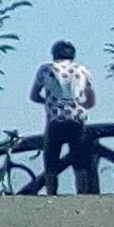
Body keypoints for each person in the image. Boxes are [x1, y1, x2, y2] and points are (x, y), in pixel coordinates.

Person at [32, 41, 100, 193]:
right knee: (80, 161)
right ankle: (82, 193)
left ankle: (51, 194)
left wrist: (49, 103)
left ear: (54, 54)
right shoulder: (83, 70)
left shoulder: (46, 69)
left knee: (51, 161)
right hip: (76, 120)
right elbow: (91, 100)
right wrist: (80, 107)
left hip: (55, 120)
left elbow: (34, 95)